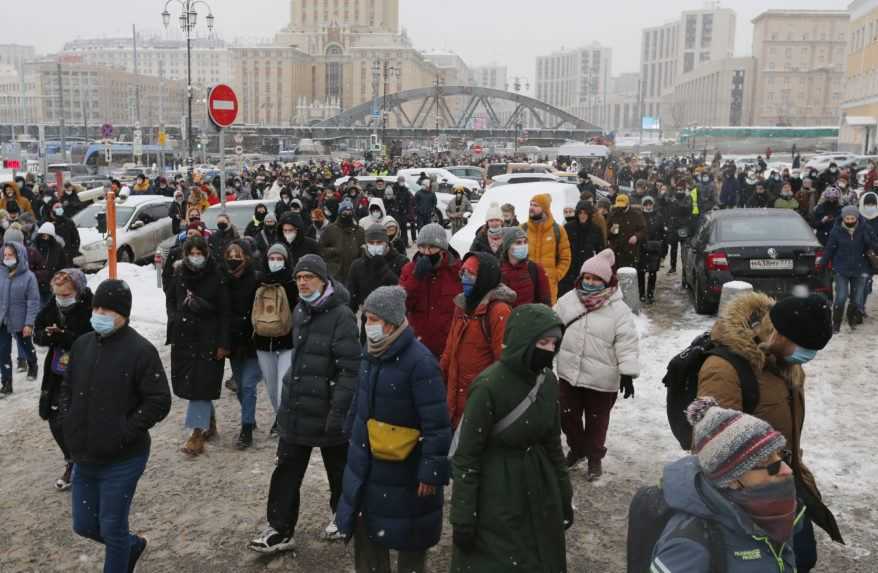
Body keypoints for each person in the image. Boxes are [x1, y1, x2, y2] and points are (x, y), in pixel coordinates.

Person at [697, 292, 843, 571]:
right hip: (746, 498)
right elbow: (711, 447)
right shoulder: (724, 369)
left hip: (784, 484)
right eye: (804, 347)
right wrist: (750, 500)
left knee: (801, 560)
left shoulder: (787, 366)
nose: (807, 357)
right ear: (780, 334)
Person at [335, 286, 452, 573]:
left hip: (406, 468)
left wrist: (431, 471)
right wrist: (351, 430)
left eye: (373, 319)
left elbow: (437, 423)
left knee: (410, 536)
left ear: (391, 321)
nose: (368, 325)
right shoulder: (371, 353)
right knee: (368, 529)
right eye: (366, 318)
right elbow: (359, 398)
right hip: (369, 462)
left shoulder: (420, 363)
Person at [57, 278, 171, 573]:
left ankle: (121, 552)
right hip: (85, 454)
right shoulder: (82, 344)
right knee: (84, 525)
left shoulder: (141, 351)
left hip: (123, 457)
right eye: (97, 308)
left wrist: (124, 430)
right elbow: (67, 386)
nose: (99, 315)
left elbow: (159, 400)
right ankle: (131, 545)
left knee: (111, 527)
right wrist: (69, 418)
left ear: (124, 314)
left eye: (108, 310)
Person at [249, 255, 360, 554]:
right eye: (299, 278)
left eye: (308, 277)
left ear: (323, 280)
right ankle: (281, 528)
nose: (302, 282)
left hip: (328, 410)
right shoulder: (300, 310)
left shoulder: (342, 316)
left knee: (339, 470)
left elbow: (350, 369)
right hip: (297, 408)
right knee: (285, 469)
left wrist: (339, 412)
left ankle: (344, 517)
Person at [449, 304, 573, 572]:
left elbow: (553, 445)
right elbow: (467, 457)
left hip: (540, 486)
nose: (550, 349)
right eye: (543, 342)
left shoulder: (548, 382)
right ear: (523, 342)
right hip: (496, 492)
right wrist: (463, 516)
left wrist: (563, 495)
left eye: (554, 343)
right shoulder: (488, 386)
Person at [651, 398, 797, 573]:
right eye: (769, 464)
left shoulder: (773, 514)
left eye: (781, 457)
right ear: (732, 479)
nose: (787, 470)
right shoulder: (688, 545)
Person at [554, 248, 639, 480]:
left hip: (602, 378)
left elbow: (627, 341)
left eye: (596, 279)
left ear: (607, 281)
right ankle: (577, 448)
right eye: (587, 278)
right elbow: (552, 330)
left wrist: (628, 373)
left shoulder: (618, 309)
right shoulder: (567, 301)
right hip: (569, 372)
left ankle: (594, 458)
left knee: (597, 420)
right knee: (567, 415)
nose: (590, 283)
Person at [166, 236, 230, 457]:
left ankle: (196, 433)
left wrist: (223, 343)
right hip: (184, 338)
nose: (196, 257)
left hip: (209, 340)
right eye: (191, 253)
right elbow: (171, 300)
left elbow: (224, 311)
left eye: (199, 253)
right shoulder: (179, 274)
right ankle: (208, 422)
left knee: (201, 386)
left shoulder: (217, 275)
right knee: (193, 385)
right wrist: (175, 320)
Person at [33, 269, 93, 490]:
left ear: (77, 291)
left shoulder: (90, 308)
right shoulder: (51, 307)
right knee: (55, 419)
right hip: (57, 372)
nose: (62, 299)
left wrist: (65, 337)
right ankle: (71, 459)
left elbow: (92, 339)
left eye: (66, 295)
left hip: (84, 372)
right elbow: (37, 332)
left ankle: (85, 463)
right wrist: (46, 336)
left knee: (81, 418)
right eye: (58, 294)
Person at [441, 253, 514, 428]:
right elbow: (450, 348)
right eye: (463, 273)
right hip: (455, 394)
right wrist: (440, 374)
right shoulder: (462, 306)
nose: (465, 279)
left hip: (480, 398)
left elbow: (503, 363)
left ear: (484, 277)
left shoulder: (499, 311)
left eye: (471, 274)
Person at [399, 223, 462, 358]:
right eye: (422, 247)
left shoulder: (456, 271)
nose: (426, 252)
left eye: (432, 247)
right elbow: (402, 303)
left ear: (442, 249)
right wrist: (416, 278)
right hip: (418, 346)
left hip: (448, 346)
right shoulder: (409, 270)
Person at [253, 244, 297, 433]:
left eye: (279, 259)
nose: (275, 262)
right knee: (271, 387)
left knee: (283, 387)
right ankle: (279, 416)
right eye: (272, 258)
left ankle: (284, 420)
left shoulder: (293, 282)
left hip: (288, 342)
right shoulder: (258, 281)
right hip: (263, 342)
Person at [222, 240, 262, 449]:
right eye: (230, 254)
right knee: (239, 386)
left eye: (238, 254)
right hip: (234, 341)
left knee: (248, 385)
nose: (233, 258)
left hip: (254, 339)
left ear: (246, 256)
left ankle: (246, 429)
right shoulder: (224, 279)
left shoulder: (256, 278)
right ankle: (250, 416)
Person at [346, 224, 408, 342]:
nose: (375, 246)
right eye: (371, 242)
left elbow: (404, 293)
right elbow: (351, 301)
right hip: (369, 326)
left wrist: (384, 271)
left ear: (386, 242)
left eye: (379, 242)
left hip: (394, 326)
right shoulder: (357, 266)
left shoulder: (401, 261)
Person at [825, 205, 878, 331]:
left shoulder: (865, 228)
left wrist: (867, 240)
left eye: (852, 218)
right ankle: (836, 323)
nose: (849, 221)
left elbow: (875, 245)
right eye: (847, 218)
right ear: (843, 218)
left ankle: (851, 319)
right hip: (841, 269)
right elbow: (829, 249)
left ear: (857, 217)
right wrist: (822, 264)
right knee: (841, 297)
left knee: (856, 298)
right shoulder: (836, 230)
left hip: (860, 269)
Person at [0, 242, 40, 395]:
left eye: (11, 255)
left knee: (25, 346)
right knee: (3, 352)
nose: (7, 258)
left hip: (21, 320)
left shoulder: (29, 277)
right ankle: (7, 383)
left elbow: (33, 301)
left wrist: (29, 323)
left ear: (19, 256)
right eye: (5, 255)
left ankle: (32, 363)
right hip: (2, 320)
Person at [523, 193, 572, 304]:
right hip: (526, 285)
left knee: (547, 318)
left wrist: (555, 275)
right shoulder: (523, 229)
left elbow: (566, 257)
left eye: (536, 205)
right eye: (531, 204)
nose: (531, 208)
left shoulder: (558, 230)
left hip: (549, 287)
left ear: (545, 209)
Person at [559, 200, 606, 297]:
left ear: (589, 214)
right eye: (580, 213)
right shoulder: (568, 227)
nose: (582, 215)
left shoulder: (595, 229)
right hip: (569, 269)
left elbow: (601, 251)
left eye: (585, 213)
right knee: (567, 297)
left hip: (586, 269)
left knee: (584, 297)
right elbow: (561, 248)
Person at [498, 227, 551, 308]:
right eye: (518, 243)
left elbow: (545, 303)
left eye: (525, 242)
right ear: (507, 246)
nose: (523, 246)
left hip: (531, 318)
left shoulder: (535, 269)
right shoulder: (498, 270)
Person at [319, 198, 366, 282]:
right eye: (344, 211)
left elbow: (364, 250)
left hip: (355, 274)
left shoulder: (359, 231)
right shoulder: (330, 229)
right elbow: (320, 249)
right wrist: (334, 251)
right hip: (336, 274)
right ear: (340, 212)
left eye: (350, 211)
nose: (347, 214)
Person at [607, 194, 647, 272]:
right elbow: (606, 233)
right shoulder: (612, 215)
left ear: (628, 204)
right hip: (616, 250)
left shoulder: (636, 215)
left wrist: (636, 237)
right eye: (618, 206)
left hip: (631, 251)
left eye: (622, 206)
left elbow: (643, 230)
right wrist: (610, 231)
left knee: (629, 274)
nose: (620, 208)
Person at [638, 196, 665, 304]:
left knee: (653, 273)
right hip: (642, 248)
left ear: (653, 205)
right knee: (641, 273)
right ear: (642, 205)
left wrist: (663, 250)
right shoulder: (639, 216)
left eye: (650, 204)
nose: (648, 206)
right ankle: (641, 294)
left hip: (655, 248)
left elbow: (663, 233)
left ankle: (650, 294)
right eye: (646, 204)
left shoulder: (658, 216)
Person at [663, 185, 693, 273]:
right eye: (678, 189)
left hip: (682, 226)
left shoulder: (687, 198)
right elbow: (664, 203)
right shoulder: (672, 198)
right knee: (673, 248)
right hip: (673, 226)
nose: (679, 191)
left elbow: (686, 208)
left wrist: (677, 202)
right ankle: (673, 266)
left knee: (684, 248)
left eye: (681, 189)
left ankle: (685, 266)